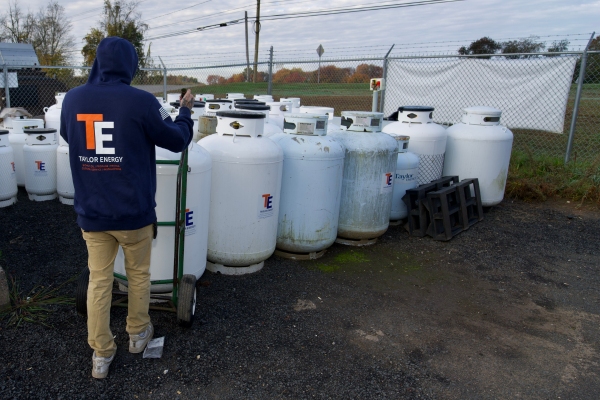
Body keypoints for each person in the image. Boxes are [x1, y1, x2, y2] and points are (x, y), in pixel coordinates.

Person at [60, 37, 194, 379]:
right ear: (130, 65)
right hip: (133, 212)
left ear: (98, 63)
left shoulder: (73, 100)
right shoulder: (142, 102)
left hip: (92, 212)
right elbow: (177, 140)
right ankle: (137, 334)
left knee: (99, 280)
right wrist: (185, 112)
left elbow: (69, 136)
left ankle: (101, 355)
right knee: (138, 276)